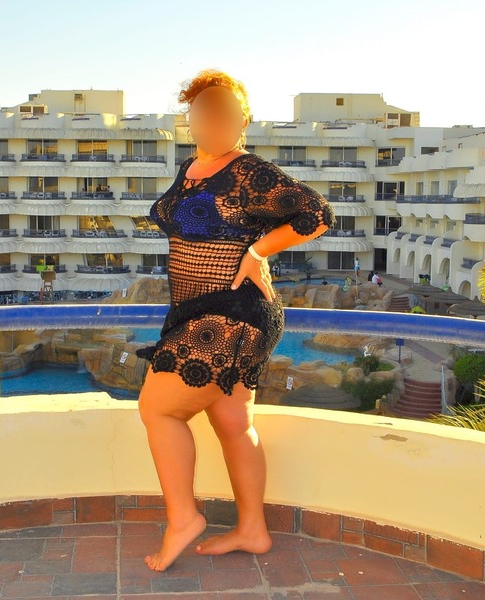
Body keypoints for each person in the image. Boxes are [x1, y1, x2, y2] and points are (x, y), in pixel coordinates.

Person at [135, 69, 335, 572]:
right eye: (204, 110)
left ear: (243, 120)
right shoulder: (191, 168)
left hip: (234, 312)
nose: (214, 119)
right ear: (191, 118)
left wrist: (258, 251)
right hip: (195, 310)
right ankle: (252, 530)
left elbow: (316, 214)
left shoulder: (248, 171)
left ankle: (183, 518)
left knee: (158, 409)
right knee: (232, 423)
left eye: (226, 111)